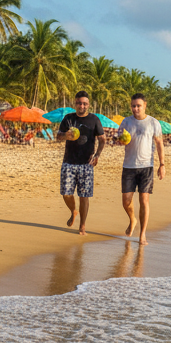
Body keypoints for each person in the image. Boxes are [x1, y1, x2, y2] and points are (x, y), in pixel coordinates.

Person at [118, 93, 165, 245]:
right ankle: (132, 219)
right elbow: (119, 139)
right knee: (126, 201)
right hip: (129, 166)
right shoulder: (126, 122)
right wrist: (121, 140)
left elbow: (159, 143)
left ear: (145, 105)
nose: (136, 108)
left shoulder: (153, 123)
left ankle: (142, 234)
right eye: (133, 106)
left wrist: (162, 164)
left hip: (146, 166)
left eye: (138, 106)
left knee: (144, 200)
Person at [57, 91, 105, 235]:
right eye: (79, 103)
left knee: (84, 196)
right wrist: (66, 135)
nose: (81, 106)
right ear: (75, 103)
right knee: (66, 194)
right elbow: (58, 136)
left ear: (88, 104)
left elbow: (102, 140)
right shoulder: (68, 118)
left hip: (86, 164)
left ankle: (82, 226)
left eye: (84, 103)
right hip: (69, 162)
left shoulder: (94, 120)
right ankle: (73, 211)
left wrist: (97, 155)